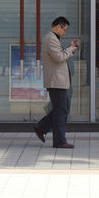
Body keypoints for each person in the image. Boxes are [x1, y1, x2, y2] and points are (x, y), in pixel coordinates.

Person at [32, 17, 78, 148]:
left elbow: (59, 54)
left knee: (61, 109)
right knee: (60, 111)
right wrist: (70, 50)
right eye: (64, 29)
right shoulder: (51, 38)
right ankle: (59, 141)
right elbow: (59, 57)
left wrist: (69, 48)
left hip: (59, 81)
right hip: (56, 81)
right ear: (58, 26)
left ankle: (41, 127)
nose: (64, 32)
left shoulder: (53, 38)